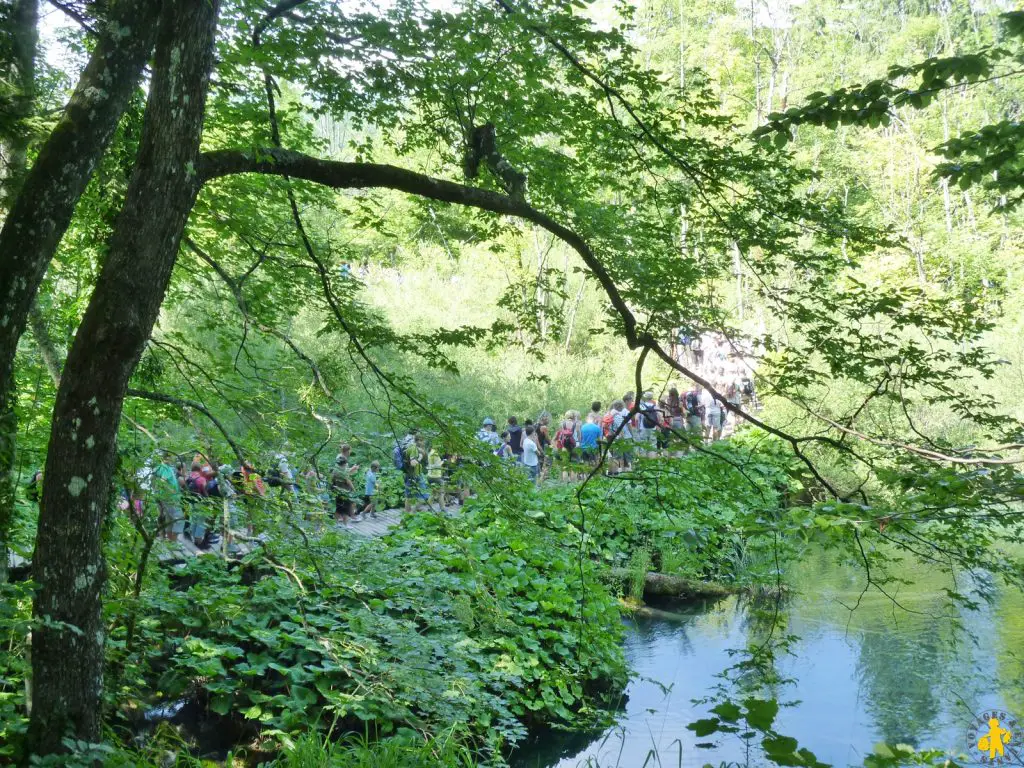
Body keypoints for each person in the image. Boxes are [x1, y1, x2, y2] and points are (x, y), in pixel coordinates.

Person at [153, 458, 184, 542]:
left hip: (165, 498)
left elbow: (155, 483)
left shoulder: (159, 467)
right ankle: (174, 542)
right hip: (171, 498)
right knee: (179, 519)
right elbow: (162, 482)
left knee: (169, 519)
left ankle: (170, 541)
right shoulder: (166, 468)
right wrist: (171, 491)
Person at [330, 456, 356, 526]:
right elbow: (348, 481)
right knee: (346, 509)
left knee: (338, 509)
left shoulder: (335, 471)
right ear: (344, 464)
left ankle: (336, 524)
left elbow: (332, 480)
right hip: (345, 493)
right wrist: (353, 489)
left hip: (337, 492)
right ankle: (346, 525)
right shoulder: (343, 472)